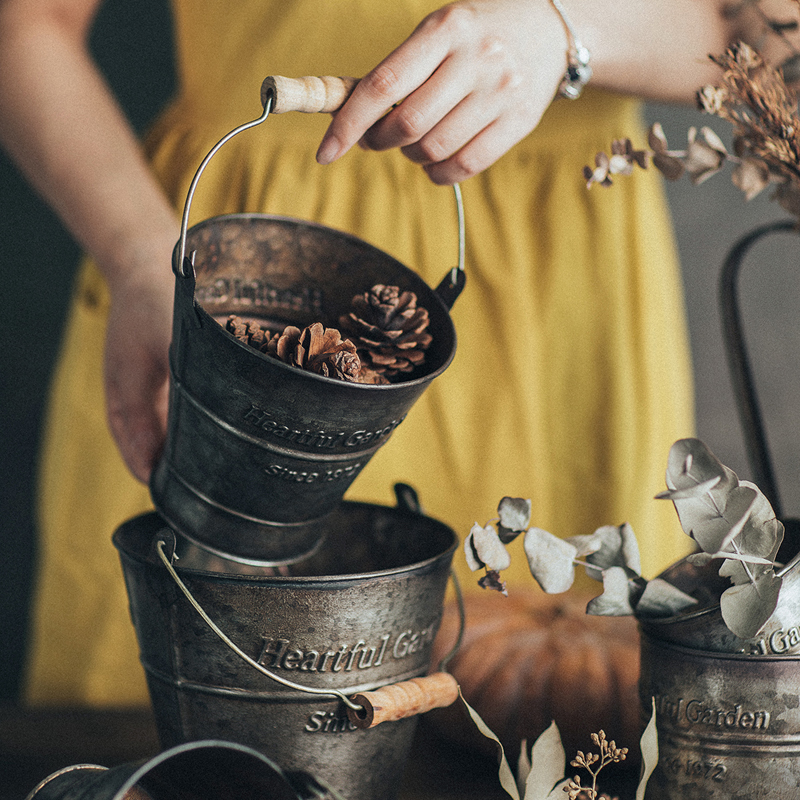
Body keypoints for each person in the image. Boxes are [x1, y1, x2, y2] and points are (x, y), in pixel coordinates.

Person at [0, 0, 736, 706]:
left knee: (564, 699)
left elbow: (772, 44)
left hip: (556, 313)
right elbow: (26, 23)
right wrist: (138, 257)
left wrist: (567, 28)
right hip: (228, 294)